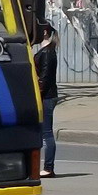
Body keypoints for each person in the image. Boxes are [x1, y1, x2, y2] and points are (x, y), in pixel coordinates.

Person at [34, 22, 59, 178]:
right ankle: (46, 167)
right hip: (46, 95)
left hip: (47, 97)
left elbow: (45, 77)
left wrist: (38, 93)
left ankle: (49, 168)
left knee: (47, 133)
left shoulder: (48, 53)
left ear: (44, 32)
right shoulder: (45, 51)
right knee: (43, 132)